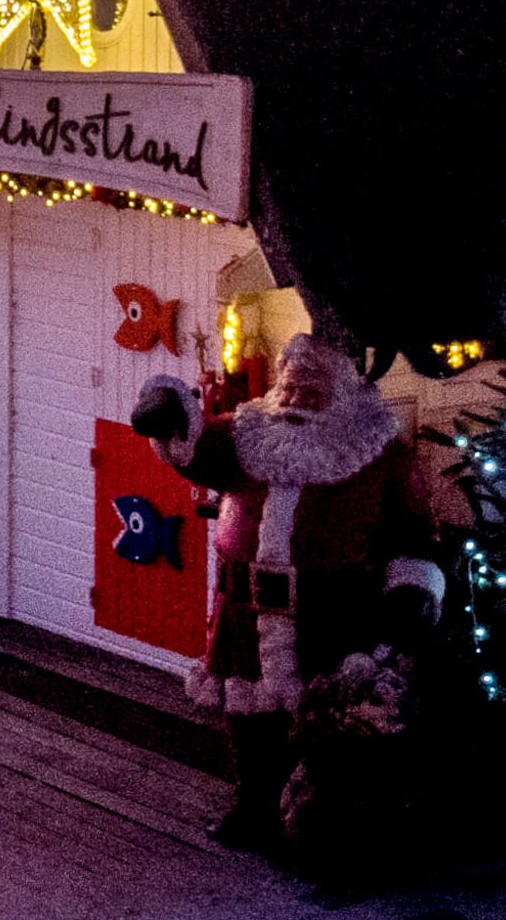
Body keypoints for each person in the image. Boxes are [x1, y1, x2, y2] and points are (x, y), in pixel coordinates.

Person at [133, 334, 441, 850]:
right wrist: (169, 416)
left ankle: (320, 817)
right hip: (245, 608)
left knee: (327, 718)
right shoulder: (245, 434)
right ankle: (254, 805)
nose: (297, 401)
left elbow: (413, 532)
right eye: (291, 389)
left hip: (332, 609)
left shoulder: (379, 455)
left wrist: (411, 589)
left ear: (343, 395)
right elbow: (193, 452)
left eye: (312, 393)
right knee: (250, 717)